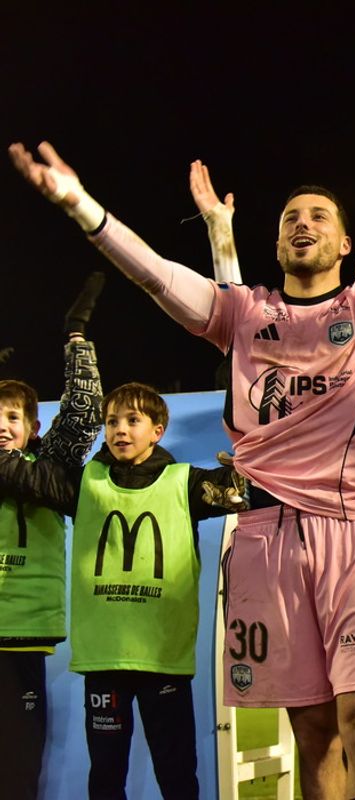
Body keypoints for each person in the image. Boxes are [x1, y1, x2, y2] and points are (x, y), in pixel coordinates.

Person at [10, 44, 355, 800]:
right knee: (313, 731)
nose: (302, 224)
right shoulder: (242, 314)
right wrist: (83, 206)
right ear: (276, 242)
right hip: (264, 537)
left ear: (346, 244)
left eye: (318, 217)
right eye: (290, 218)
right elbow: (153, 275)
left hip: (353, 529)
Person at [0, 382, 247, 799]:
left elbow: (249, 490)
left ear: (158, 430)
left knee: (177, 777)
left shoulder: (185, 483)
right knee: (106, 778)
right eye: (112, 421)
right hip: (104, 660)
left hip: (163, 661)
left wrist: (253, 463)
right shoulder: (83, 483)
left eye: (133, 421)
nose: (120, 430)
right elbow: (19, 474)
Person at [0, 274, 105, 800]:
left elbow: (84, 415)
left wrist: (76, 337)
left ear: (33, 428)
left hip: (21, 635)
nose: (2, 426)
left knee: (17, 768)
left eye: (12, 417)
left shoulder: (47, 469)